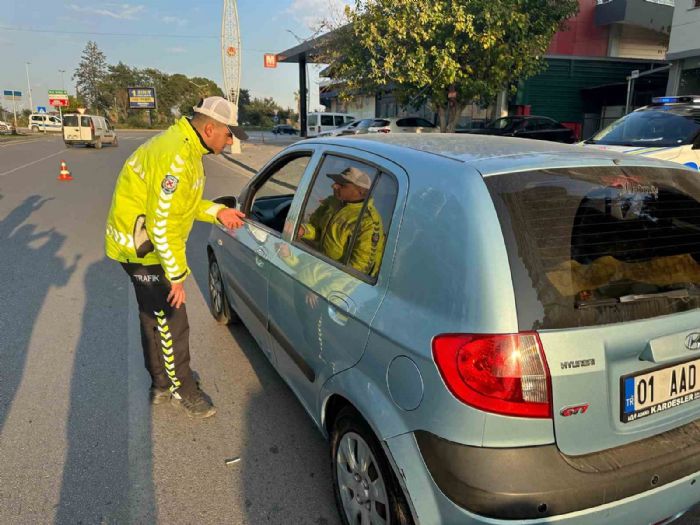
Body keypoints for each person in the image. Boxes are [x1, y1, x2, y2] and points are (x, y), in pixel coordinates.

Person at [104, 96, 247, 419]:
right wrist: (177, 275)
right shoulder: (177, 158)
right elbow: (163, 223)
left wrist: (219, 212)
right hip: (144, 248)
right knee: (172, 320)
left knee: (152, 316)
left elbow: (184, 206)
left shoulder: (186, 149)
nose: (230, 141)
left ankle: (160, 385)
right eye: (228, 135)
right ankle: (184, 390)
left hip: (136, 243)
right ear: (210, 128)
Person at [297, 165, 385, 277]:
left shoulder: (368, 222)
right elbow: (319, 231)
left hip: (334, 282)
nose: (333, 185)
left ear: (360, 191)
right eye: (335, 182)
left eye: (342, 185)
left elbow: (358, 269)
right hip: (318, 270)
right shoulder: (332, 203)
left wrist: (325, 290)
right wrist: (304, 230)